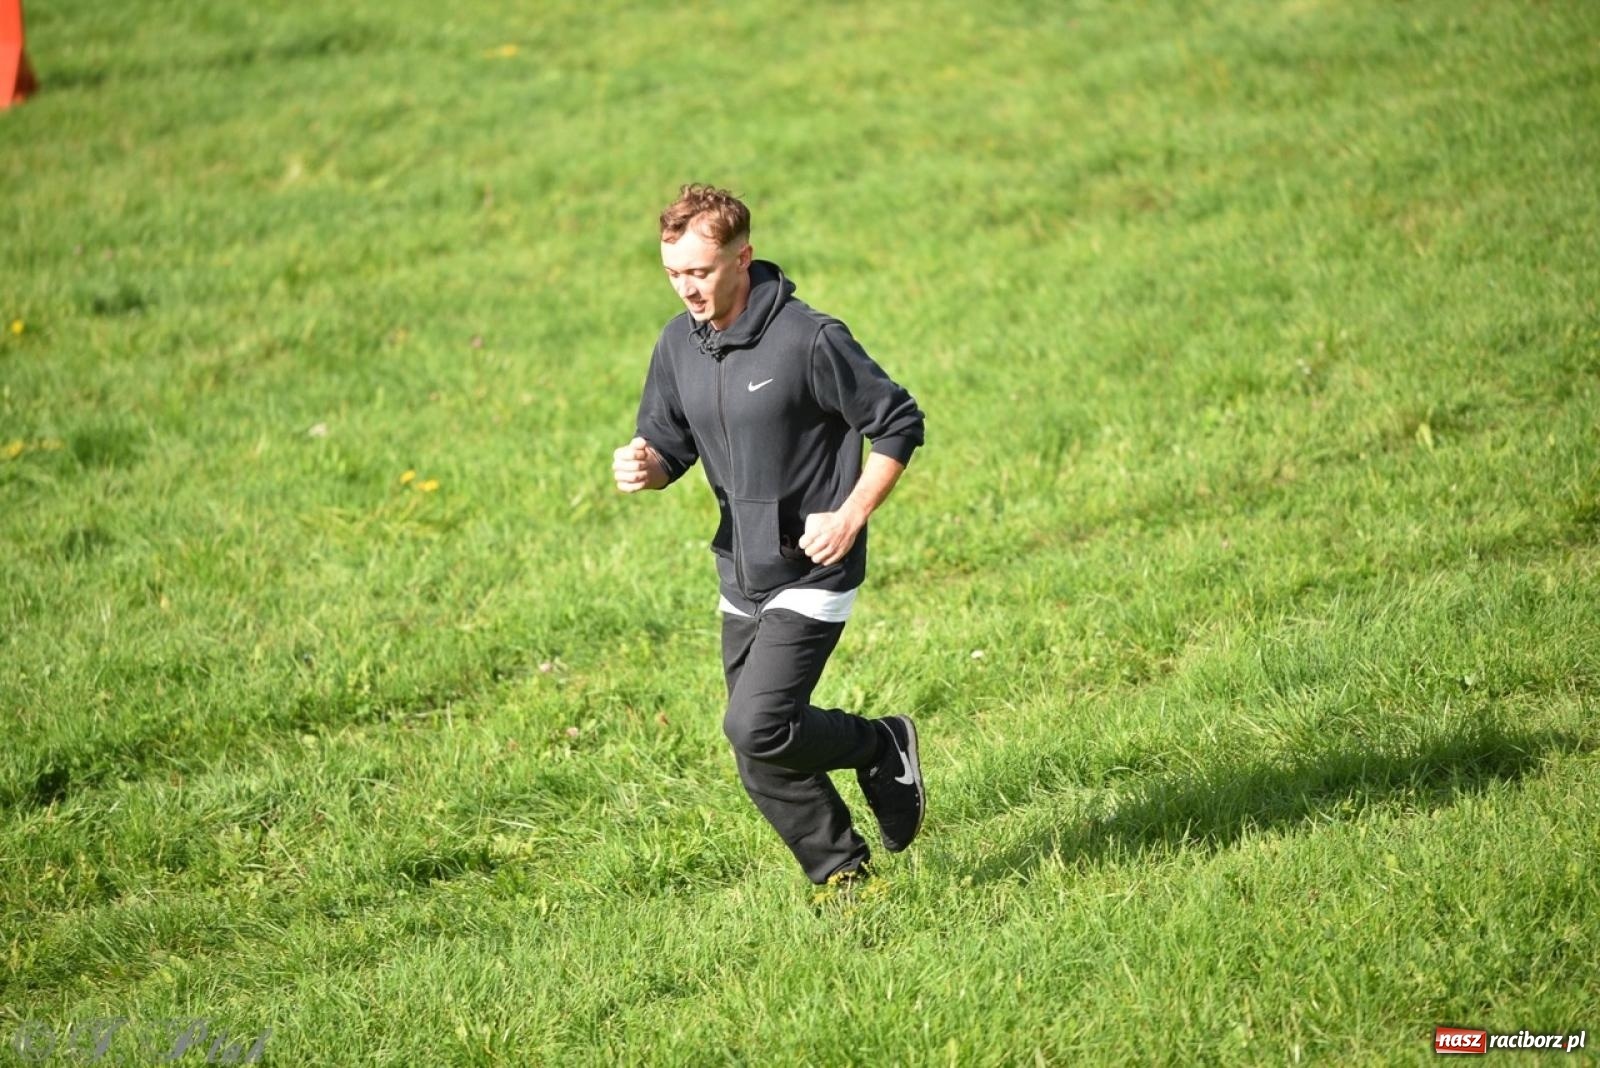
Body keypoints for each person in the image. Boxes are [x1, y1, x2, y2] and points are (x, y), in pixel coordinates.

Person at [611, 184, 927, 890]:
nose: (686, 288)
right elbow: (669, 445)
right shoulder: (678, 344)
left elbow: (900, 423)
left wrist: (849, 515)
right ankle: (846, 875)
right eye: (672, 274)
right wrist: (646, 466)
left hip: (814, 569)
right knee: (757, 748)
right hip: (740, 570)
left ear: (742, 259)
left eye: (699, 271)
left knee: (755, 725)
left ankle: (879, 743)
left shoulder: (809, 339)